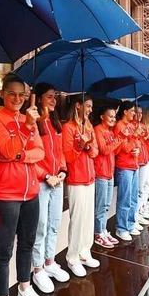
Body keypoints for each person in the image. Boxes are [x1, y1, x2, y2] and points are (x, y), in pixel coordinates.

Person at [0, 74, 47, 296]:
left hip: (31, 191)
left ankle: (23, 287)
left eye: (22, 95)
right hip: (5, 195)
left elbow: (40, 152)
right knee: (3, 251)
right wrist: (24, 137)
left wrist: (21, 153)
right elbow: (7, 150)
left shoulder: (28, 120)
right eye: (12, 94)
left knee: (28, 243)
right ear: (2, 94)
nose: (18, 99)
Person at [31, 83, 70, 293]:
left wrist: (62, 171)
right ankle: (37, 270)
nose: (54, 100)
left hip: (57, 180)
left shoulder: (56, 124)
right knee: (41, 226)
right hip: (42, 182)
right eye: (49, 97)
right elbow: (32, 158)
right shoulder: (34, 124)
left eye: (55, 96)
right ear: (38, 99)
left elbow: (61, 152)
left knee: (54, 223)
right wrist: (46, 175)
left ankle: (49, 261)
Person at [62, 95, 100, 277]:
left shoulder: (89, 126)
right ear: (78, 106)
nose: (91, 109)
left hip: (90, 177)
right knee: (77, 220)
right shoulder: (68, 128)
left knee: (87, 218)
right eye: (88, 106)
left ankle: (85, 251)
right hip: (76, 179)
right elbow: (68, 157)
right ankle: (72, 257)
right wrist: (80, 144)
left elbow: (95, 151)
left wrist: (87, 146)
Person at [93, 106, 123, 249]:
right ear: (102, 117)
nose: (113, 119)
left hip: (109, 173)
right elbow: (104, 150)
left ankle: (103, 230)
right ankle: (98, 233)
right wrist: (119, 139)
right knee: (101, 206)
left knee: (106, 205)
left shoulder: (110, 132)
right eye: (110, 116)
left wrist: (119, 139)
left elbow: (115, 151)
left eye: (114, 117)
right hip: (101, 174)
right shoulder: (98, 130)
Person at [113, 101, 141, 241]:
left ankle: (130, 224)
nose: (134, 114)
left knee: (133, 197)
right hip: (124, 166)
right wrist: (133, 141)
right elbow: (124, 148)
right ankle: (121, 227)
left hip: (134, 164)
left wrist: (136, 144)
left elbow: (137, 144)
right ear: (125, 112)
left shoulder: (131, 126)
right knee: (125, 198)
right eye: (132, 111)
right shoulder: (119, 126)